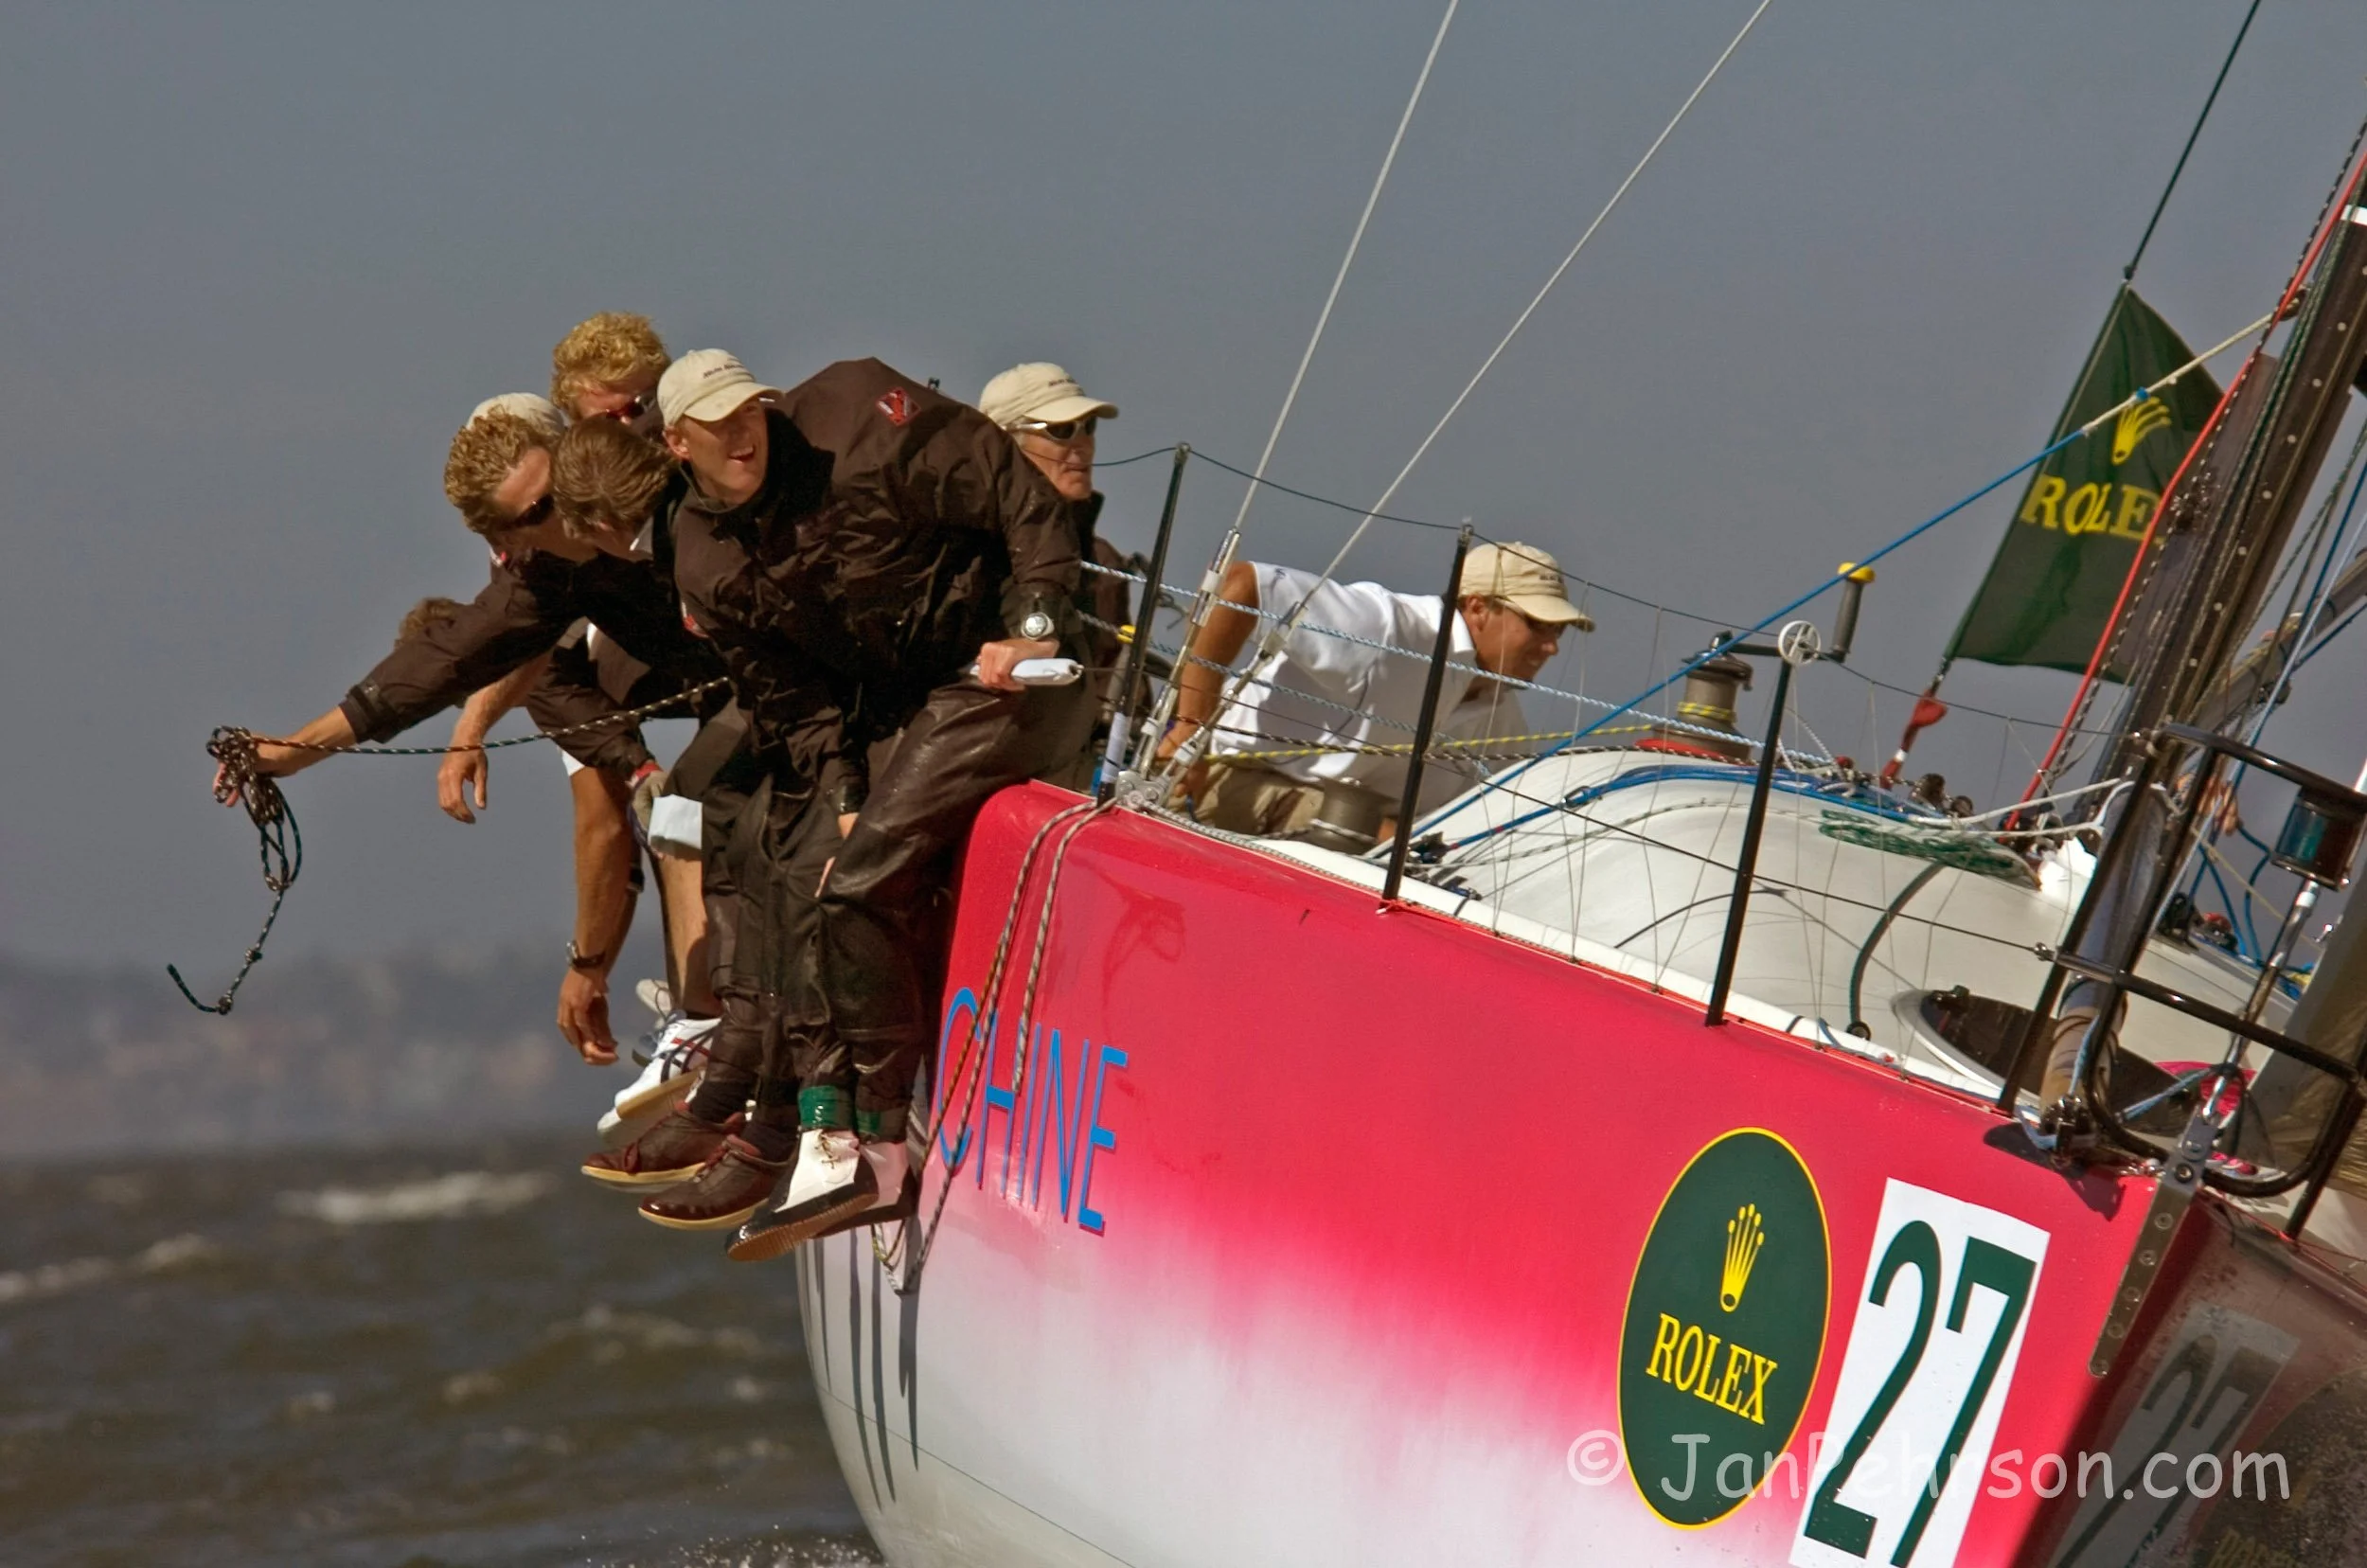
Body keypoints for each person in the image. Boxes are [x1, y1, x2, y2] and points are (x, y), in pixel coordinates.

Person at [651, 349, 1091, 1260]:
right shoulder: (702, 556)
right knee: (795, 858)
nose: (742, 433)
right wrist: (845, 793)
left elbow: (1021, 498)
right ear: (675, 442)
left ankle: (881, 1145)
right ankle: (813, 1125)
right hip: (893, 708)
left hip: (1009, 674)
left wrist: (1035, 623)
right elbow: (796, 706)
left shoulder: (858, 414)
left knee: (856, 887)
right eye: (717, 422)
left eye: (750, 411)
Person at [215, 393, 730, 1069]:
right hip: (750, 693)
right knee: (681, 808)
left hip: (815, 663)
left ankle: (729, 1032)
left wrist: (588, 965)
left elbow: (604, 833)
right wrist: (295, 751)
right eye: (542, 511)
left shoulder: (647, 483)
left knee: (689, 803)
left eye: (560, 484)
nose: (574, 509)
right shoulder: (549, 586)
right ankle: (719, 1036)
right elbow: (438, 663)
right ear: (508, 543)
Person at [1162, 542, 1592, 844]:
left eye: (1558, 632)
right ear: (1477, 607)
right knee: (1383, 843)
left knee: (1418, 853)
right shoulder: (1390, 628)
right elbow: (1241, 585)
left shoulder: (1501, 713)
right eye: (1537, 626)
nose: (1552, 647)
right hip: (1228, 787)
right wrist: (1189, 729)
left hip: (1339, 821)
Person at [976, 362, 1145, 790]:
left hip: (1076, 778)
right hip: (984, 764)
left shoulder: (1105, 562)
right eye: (1061, 431)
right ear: (1004, 444)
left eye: (1088, 427)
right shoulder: (968, 548)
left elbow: (1120, 683)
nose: (1083, 445)